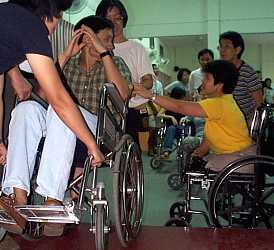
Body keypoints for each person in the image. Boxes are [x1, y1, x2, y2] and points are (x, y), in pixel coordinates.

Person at [0, 0, 107, 235]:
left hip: (87, 119)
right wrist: (67, 55)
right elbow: (54, 97)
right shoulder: (33, 33)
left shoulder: (7, 21)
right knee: (25, 110)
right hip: (60, 113)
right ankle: (17, 195)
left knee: (60, 115)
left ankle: (52, 199)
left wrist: (105, 52)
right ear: (50, 14)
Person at [134, 60, 255, 172]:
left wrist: (151, 95)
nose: (202, 82)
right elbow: (212, 135)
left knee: (205, 169)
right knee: (198, 164)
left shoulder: (218, 103)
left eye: (207, 78)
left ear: (220, 84)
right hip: (235, 154)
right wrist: (200, 151)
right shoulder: (222, 102)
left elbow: (180, 107)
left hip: (239, 157)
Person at [96, 0, 155, 149]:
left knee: (129, 157)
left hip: (128, 111)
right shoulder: (95, 48)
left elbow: (148, 80)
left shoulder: (136, 48)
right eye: (107, 19)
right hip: (100, 109)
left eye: (117, 18)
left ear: (123, 19)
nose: (113, 23)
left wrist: (132, 89)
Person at [218, 31, 263, 125]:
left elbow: (259, 104)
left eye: (227, 46)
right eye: (221, 46)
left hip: (242, 126)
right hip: (223, 123)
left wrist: (249, 126)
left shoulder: (248, 73)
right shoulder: (219, 71)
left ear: (237, 50)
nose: (222, 50)